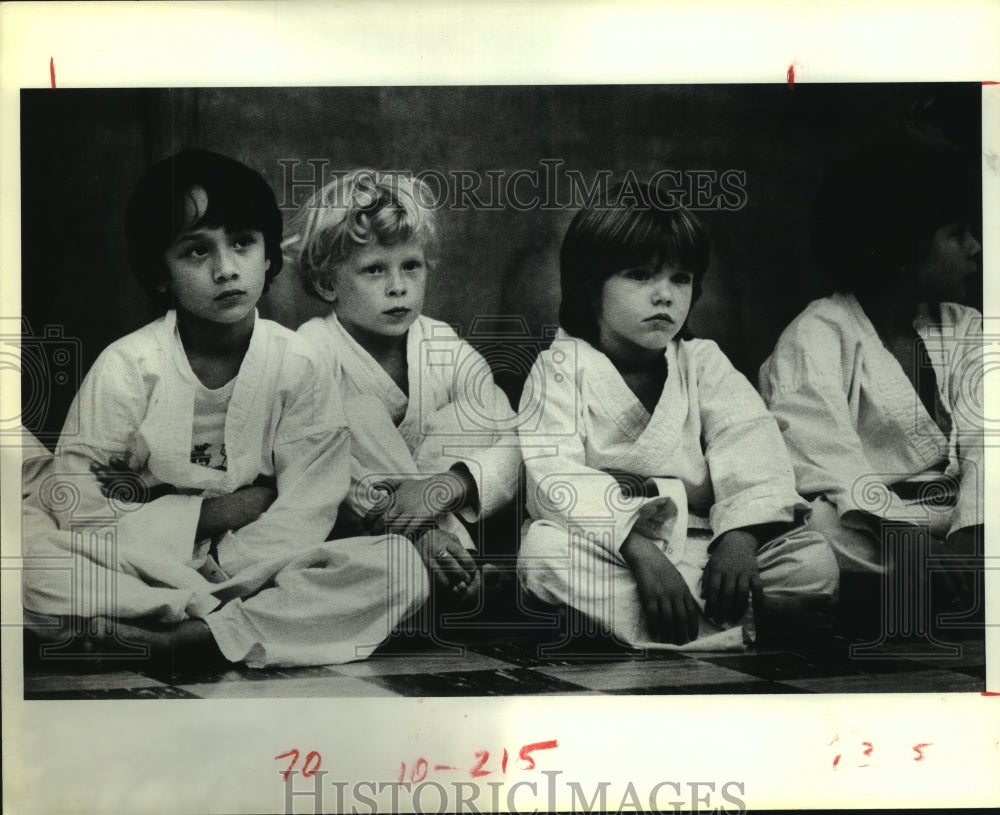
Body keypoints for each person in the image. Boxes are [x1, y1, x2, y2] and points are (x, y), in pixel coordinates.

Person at [21, 149, 428, 669]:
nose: (225, 269)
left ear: (267, 256)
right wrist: (212, 514)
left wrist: (227, 561)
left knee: (396, 566)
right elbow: (77, 503)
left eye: (241, 243)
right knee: (31, 568)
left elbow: (308, 505)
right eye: (196, 252)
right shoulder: (128, 365)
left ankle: (182, 637)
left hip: (261, 566)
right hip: (141, 562)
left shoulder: (298, 363)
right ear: (159, 272)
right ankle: (211, 623)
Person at [516, 181, 838, 649]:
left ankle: (663, 625)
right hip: (615, 550)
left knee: (813, 560)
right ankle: (752, 624)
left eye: (680, 279)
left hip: (708, 548)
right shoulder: (560, 368)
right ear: (589, 291)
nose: (664, 295)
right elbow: (554, 476)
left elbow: (748, 442)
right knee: (545, 556)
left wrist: (741, 537)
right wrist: (640, 551)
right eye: (640, 276)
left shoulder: (702, 362)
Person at [759, 141, 983, 625]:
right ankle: (921, 588)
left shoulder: (967, 327)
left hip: (959, 521)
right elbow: (824, 459)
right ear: (904, 247)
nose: (975, 248)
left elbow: (991, 440)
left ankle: (940, 583)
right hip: (873, 528)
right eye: (957, 233)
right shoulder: (818, 332)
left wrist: (976, 524)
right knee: (813, 532)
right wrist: (906, 539)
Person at [287, 169, 520, 607]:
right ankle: (452, 562)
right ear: (327, 283)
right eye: (374, 269)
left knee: (471, 418)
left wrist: (445, 487)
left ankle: (448, 573)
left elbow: (512, 443)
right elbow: (307, 466)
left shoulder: (443, 346)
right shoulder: (309, 350)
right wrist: (424, 529)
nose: (398, 287)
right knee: (352, 418)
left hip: (439, 506)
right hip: (356, 526)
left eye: (410, 266)